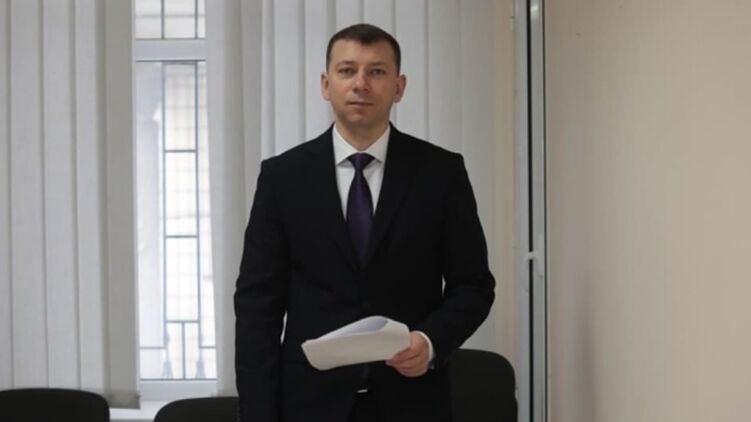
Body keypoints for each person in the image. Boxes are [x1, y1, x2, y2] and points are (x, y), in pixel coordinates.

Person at [235, 23, 495, 422]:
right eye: (347, 71)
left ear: (399, 87)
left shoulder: (441, 173)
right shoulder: (282, 178)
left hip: (411, 402)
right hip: (309, 405)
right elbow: (258, 306)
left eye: (376, 71)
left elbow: (473, 286)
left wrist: (430, 341)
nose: (361, 84)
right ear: (326, 85)